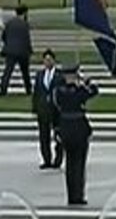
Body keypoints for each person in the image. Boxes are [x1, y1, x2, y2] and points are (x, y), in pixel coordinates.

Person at [53, 64, 99, 205]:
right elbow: (94, 91)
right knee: (79, 165)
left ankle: (71, 195)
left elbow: (55, 109)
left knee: (70, 165)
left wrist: (57, 130)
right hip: (79, 129)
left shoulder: (59, 92)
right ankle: (78, 195)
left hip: (65, 128)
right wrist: (86, 81)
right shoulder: (80, 91)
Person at [32, 49, 64, 169]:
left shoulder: (59, 75)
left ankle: (58, 160)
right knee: (43, 137)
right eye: (45, 60)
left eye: (50, 60)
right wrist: (35, 107)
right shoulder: (40, 75)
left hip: (56, 111)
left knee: (58, 136)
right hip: (43, 110)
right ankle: (46, 159)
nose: (47, 62)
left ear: (54, 61)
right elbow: (36, 92)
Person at [0, 5, 33, 95]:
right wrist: (29, 50)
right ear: (25, 13)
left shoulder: (9, 23)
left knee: (8, 72)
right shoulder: (25, 24)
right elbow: (27, 39)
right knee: (25, 73)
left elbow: (3, 36)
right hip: (22, 51)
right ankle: (28, 90)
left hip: (10, 51)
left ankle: (3, 89)